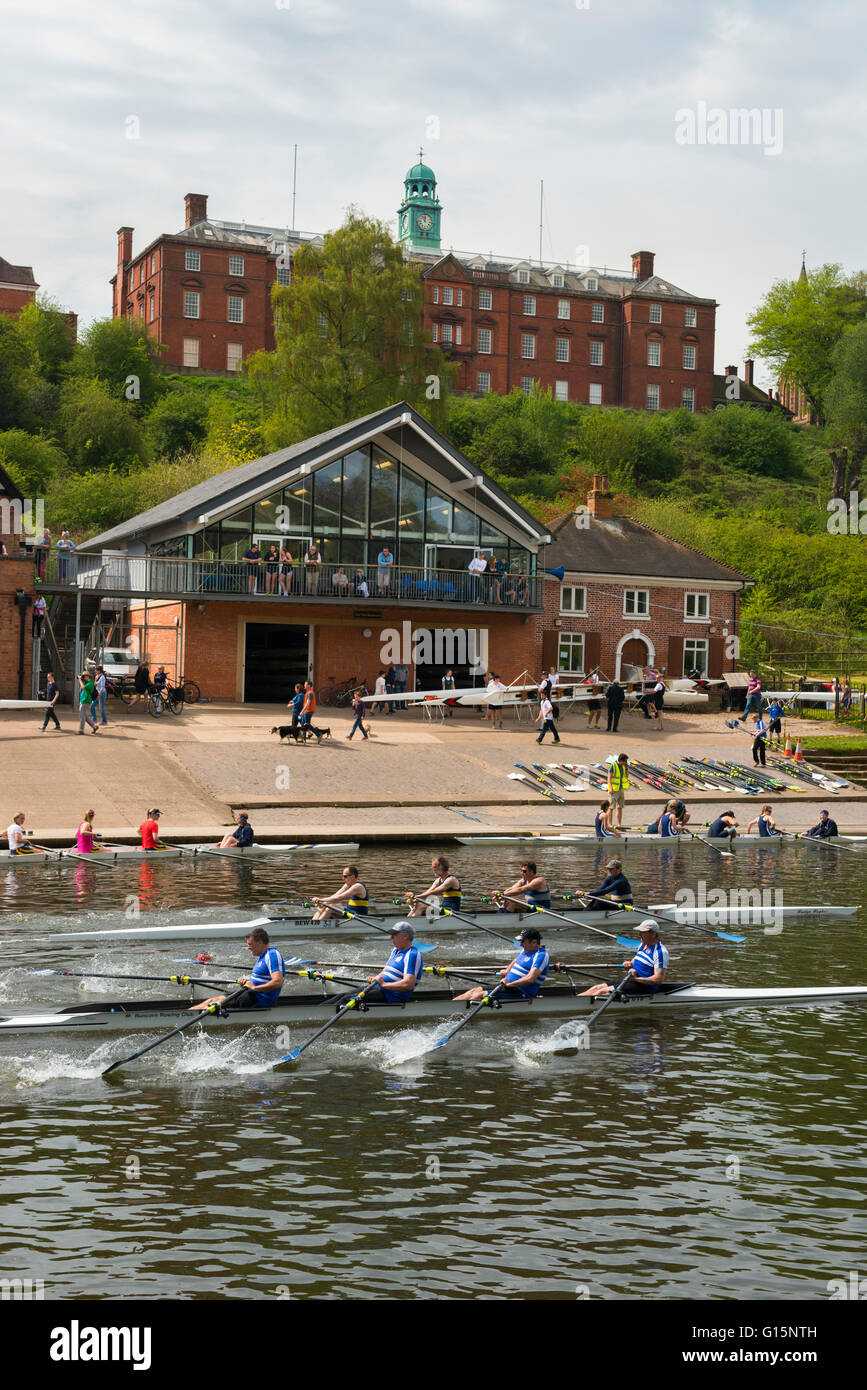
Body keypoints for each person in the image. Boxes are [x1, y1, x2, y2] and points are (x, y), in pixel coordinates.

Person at [190, 928, 285, 1013]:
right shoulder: (262, 956)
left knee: (213, 1004)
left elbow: (277, 982)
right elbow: (261, 979)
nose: (248, 947)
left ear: (260, 942)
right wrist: (247, 982)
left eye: (250, 944)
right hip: (251, 994)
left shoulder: (272, 955)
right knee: (212, 1000)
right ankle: (188, 1013)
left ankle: (186, 1016)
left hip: (259, 999)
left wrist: (255, 988)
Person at [455, 927, 549, 1001]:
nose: (520, 945)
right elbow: (516, 960)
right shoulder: (527, 949)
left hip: (520, 991)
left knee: (479, 995)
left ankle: (454, 1014)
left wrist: (510, 984)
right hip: (506, 986)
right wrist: (507, 971)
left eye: (523, 941)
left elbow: (530, 979)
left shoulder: (541, 955)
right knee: (475, 990)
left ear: (534, 942)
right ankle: (449, 1006)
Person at [580, 921, 669, 997]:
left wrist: (636, 979)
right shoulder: (643, 945)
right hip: (632, 980)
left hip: (645, 987)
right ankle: (575, 999)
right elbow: (635, 961)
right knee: (596, 988)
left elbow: (658, 980)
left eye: (642, 932)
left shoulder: (660, 952)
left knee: (601, 992)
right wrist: (628, 964)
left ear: (653, 934)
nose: (639, 934)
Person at [366, 923, 423, 1002]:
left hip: (392, 995)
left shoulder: (412, 954)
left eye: (394, 935)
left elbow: (408, 984)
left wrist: (384, 984)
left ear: (405, 936)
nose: (391, 938)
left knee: (345, 1000)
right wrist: (376, 978)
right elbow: (385, 970)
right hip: (381, 989)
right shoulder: (395, 950)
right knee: (342, 996)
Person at [607, 753, 629, 828]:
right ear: (621, 760)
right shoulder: (613, 766)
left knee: (620, 807)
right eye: (625, 761)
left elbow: (626, 776)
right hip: (613, 790)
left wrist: (626, 769)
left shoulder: (623, 767)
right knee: (611, 807)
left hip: (621, 789)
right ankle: (610, 824)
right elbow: (609, 778)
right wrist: (610, 788)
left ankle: (619, 824)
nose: (626, 763)